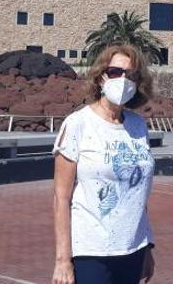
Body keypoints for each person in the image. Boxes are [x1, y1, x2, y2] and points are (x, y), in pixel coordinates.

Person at [52, 45, 156, 284]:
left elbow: (138, 193)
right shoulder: (78, 124)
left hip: (133, 249)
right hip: (92, 252)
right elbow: (61, 198)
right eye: (116, 72)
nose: (123, 80)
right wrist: (63, 260)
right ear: (100, 77)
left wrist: (147, 246)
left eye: (131, 75)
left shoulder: (138, 126)